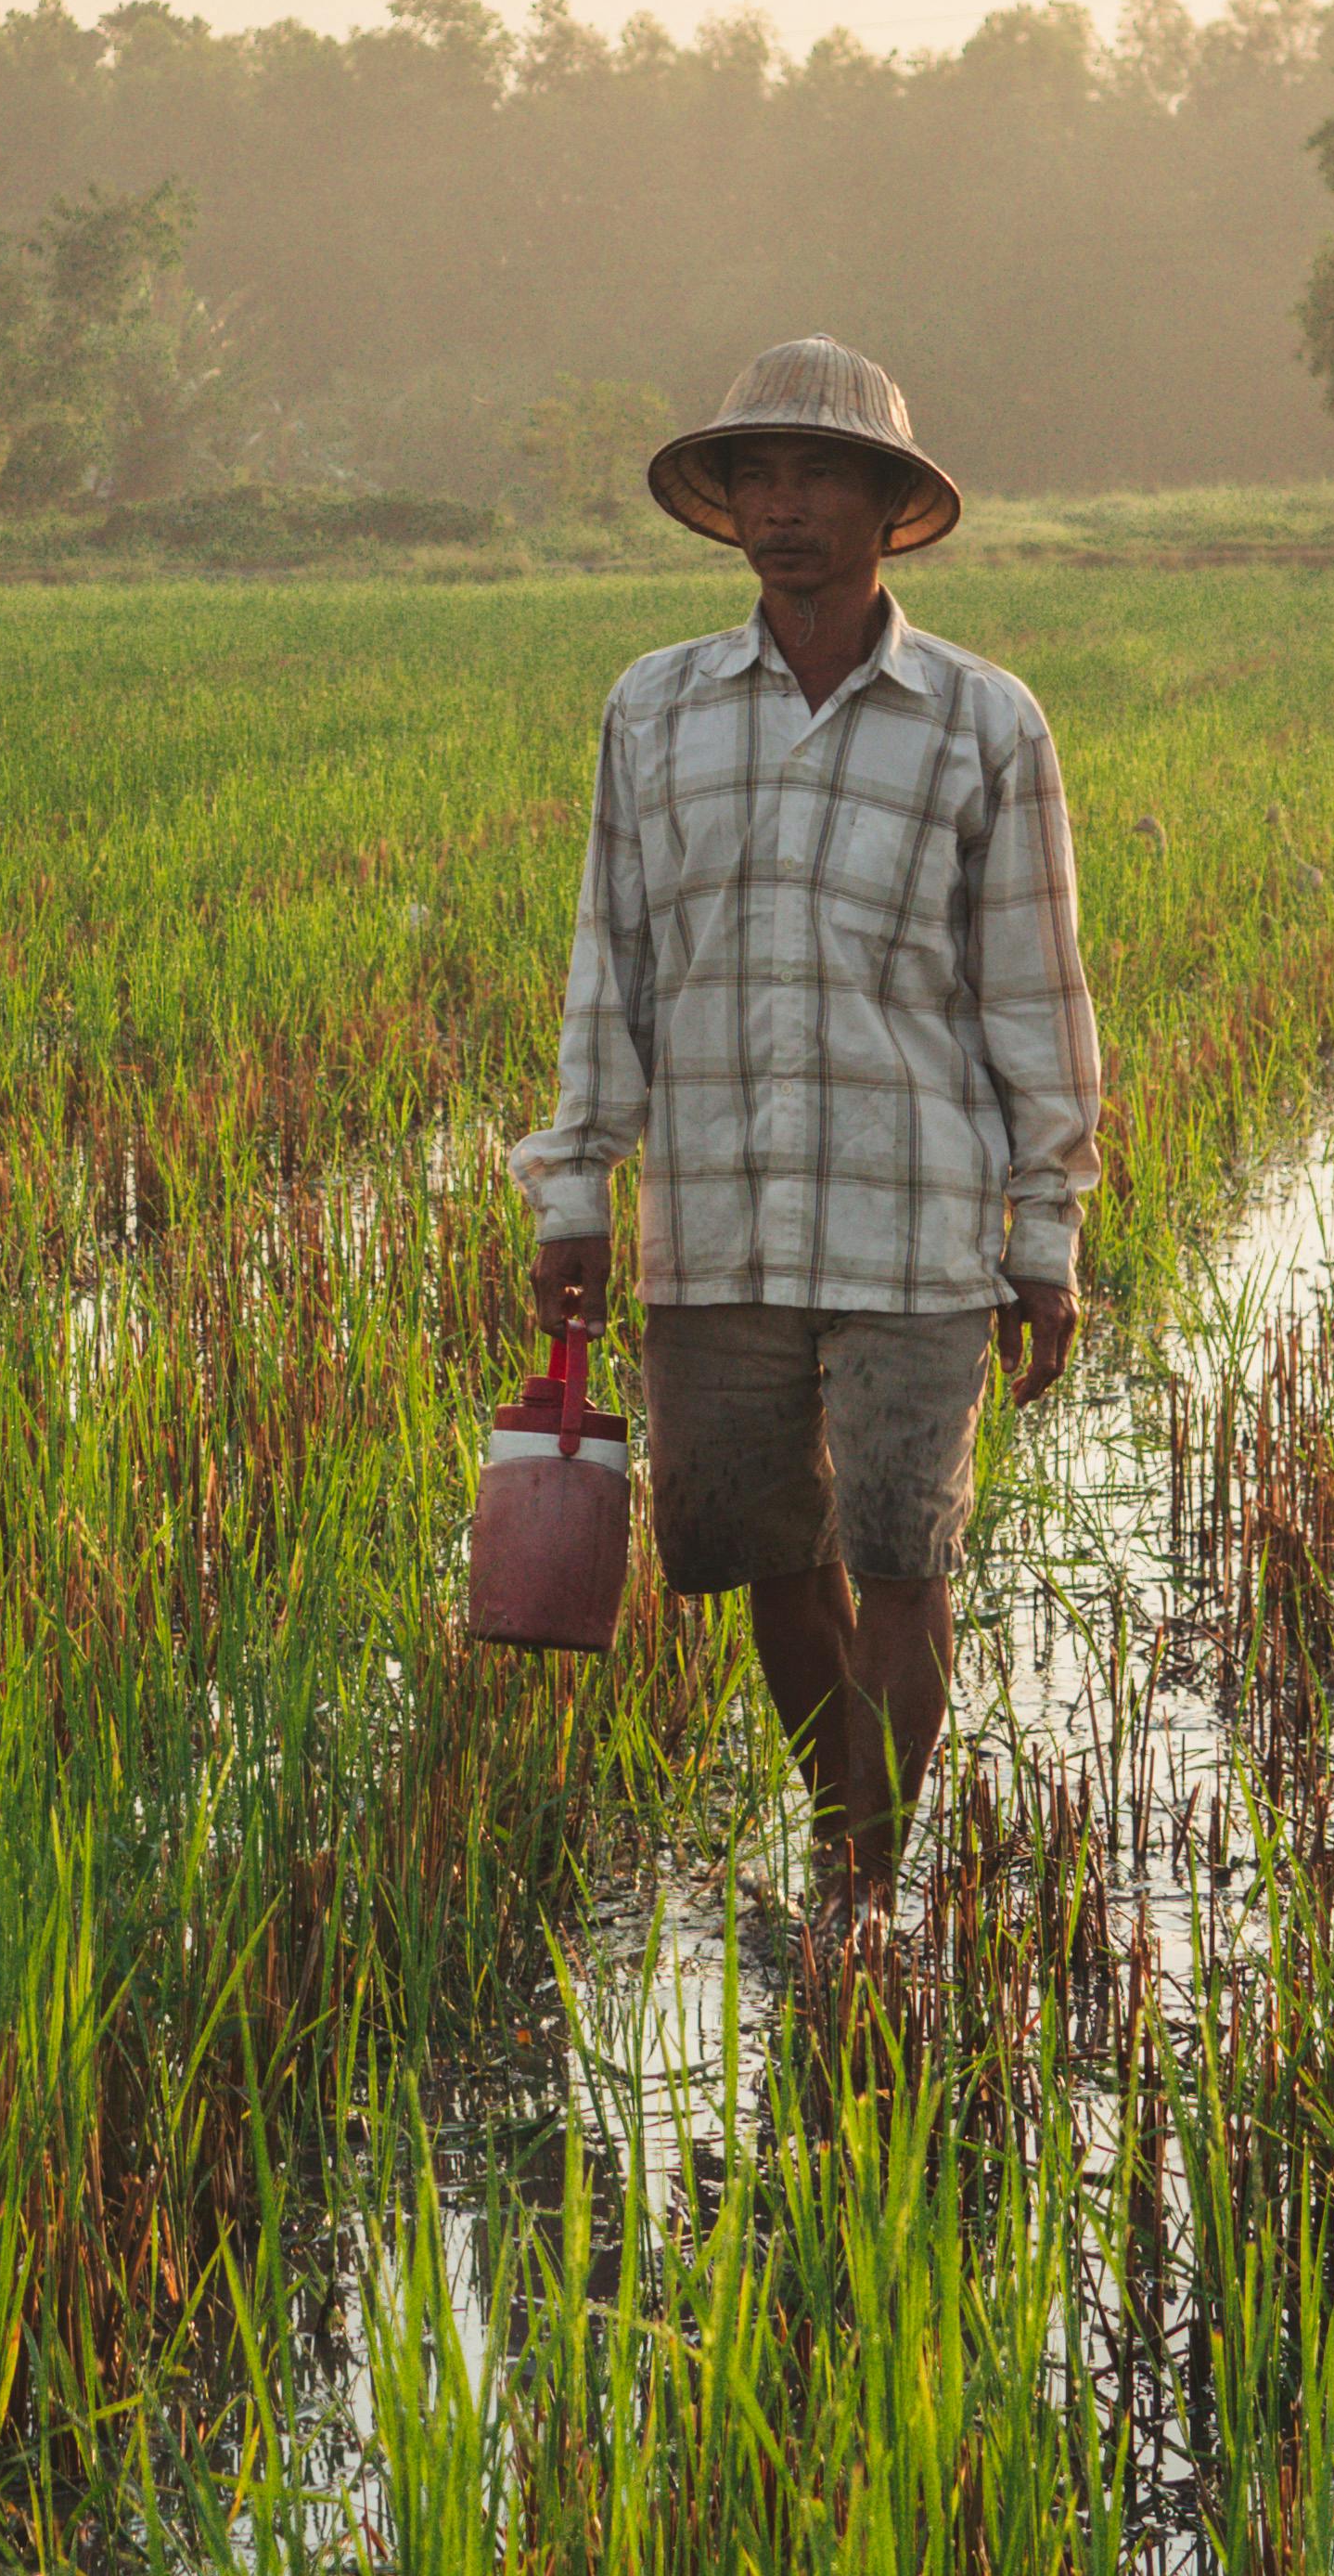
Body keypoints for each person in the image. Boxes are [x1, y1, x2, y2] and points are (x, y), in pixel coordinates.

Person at [510, 339, 1104, 1915]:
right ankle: (851, 1842)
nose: (783, 508)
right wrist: (575, 1188)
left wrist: (1043, 1232)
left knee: (904, 1557)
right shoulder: (657, 710)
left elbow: (1034, 995)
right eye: (757, 478)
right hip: (717, 1210)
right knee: (774, 1554)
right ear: (727, 508)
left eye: (818, 476)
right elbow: (612, 963)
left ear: (888, 506)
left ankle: (862, 1891)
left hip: (917, 1210)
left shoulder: (985, 722)